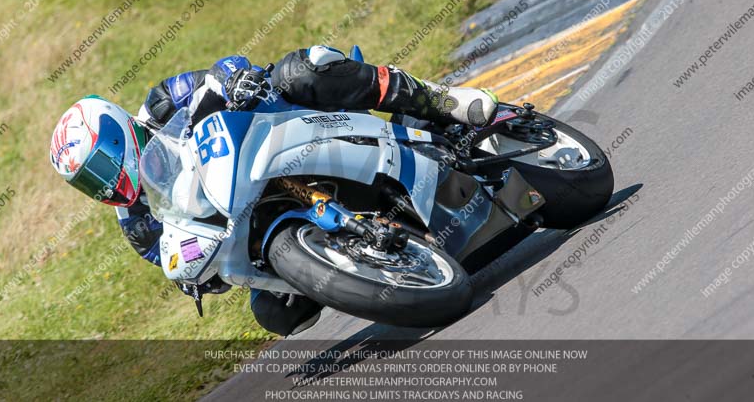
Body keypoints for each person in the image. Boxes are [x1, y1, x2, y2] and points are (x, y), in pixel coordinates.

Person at [49, 46, 498, 336]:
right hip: (253, 216)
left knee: (302, 69)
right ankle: (377, 260)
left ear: (116, 133)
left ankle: (438, 100)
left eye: (101, 165)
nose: (105, 183)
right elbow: (175, 253)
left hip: (281, 129)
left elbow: (219, 69)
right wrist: (197, 276)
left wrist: (233, 80)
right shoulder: (136, 223)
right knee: (275, 314)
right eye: (90, 182)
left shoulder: (162, 103)